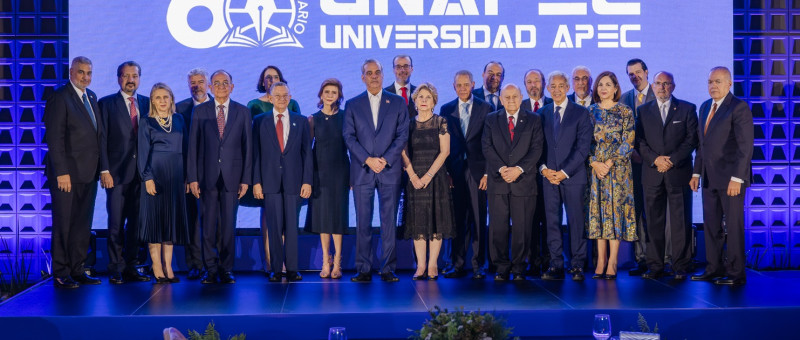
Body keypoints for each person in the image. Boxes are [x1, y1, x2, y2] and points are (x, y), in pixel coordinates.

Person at [344, 59, 409, 283]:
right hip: (363, 171)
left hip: (389, 171)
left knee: (388, 221)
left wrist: (385, 160)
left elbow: (402, 135)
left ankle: (388, 268)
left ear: (383, 76)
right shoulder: (352, 105)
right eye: (369, 73)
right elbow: (349, 137)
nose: (373, 76)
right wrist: (368, 160)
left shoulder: (398, 103)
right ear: (363, 77)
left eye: (377, 72)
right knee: (363, 221)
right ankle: (363, 268)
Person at [187, 70, 252, 284]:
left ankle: (226, 268)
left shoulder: (242, 112)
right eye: (217, 83)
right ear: (210, 87)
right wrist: (193, 178)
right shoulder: (201, 111)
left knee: (228, 225)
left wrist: (245, 179)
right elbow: (193, 146)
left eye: (225, 83)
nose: (221, 86)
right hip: (206, 177)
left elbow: (248, 148)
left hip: (233, 178)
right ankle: (210, 268)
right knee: (208, 225)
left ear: (232, 86)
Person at [690, 66, 753, 286]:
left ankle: (736, 273)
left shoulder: (739, 107)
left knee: (733, 226)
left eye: (717, 81)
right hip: (708, 177)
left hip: (731, 180)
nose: (713, 86)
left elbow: (745, 147)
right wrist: (697, 172)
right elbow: (702, 144)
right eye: (710, 82)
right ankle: (713, 268)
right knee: (711, 225)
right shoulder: (705, 106)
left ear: (729, 83)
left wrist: (738, 178)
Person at [44, 56, 104, 288]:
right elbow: (55, 138)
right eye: (81, 72)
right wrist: (62, 172)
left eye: (89, 73)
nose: (85, 77)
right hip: (66, 175)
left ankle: (78, 269)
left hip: (88, 173)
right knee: (64, 223)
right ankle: (61, 271)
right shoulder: (60, 98)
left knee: (81, 224)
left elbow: (95, 136)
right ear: (71, 72)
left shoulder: (91, 97)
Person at [636, 71, 698, 280]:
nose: (662, 87)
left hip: (678, 172)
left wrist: (670, 160)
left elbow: (691, 140)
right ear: (652, 86)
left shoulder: (688, 108)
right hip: (652, 173)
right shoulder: (643, 111)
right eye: (658, 83)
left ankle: (680, 265)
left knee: (680, 221)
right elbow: (639, 142)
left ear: (673, 86)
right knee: (653, 221)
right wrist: (655, 160)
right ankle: (655, 265)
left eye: (666, 84)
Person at [481, 84, 543, 281]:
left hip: (523, 181)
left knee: (522, 228)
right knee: (498, 227)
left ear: (521, 97)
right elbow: (487, 147)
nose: (511, 100)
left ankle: (518, 267)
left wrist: (518, 169)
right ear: (501, 99)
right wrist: (502, 169)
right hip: (498, 181)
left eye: (514, 96)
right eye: (506, 97)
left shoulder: (534, 119)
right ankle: (501, 266)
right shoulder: (491, 119)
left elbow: (536, 149)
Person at [97, 61, 151, 284]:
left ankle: (131, 266)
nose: (131, 80)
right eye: (126, 76)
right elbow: (101, 139)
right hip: (116, 174)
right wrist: (104, 169)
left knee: (136, 225)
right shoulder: (106, 104)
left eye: (135, 76)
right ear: (119, 78)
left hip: (142, 175)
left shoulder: (149, 103)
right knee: (116, 224)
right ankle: (115, 268)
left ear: (139, 78)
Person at [253, 82, 312, 282]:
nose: (281, 99)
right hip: (269, 182)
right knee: (274, 227)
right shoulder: (260, 121)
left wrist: (307, 181)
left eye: (285, 95)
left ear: (290, 97)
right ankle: (276, 269)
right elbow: (256, 154)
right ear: (270, 98)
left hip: (294, 182)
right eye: (277, 96)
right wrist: (256, 182)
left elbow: (307, 154)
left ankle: (293, 268)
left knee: (292, 227)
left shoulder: (301, 121)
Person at [538, 71, 593, 281]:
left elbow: (583, 148)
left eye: (562, 86)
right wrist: (544, 169)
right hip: (548, 177)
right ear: (548, 89)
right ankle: (556, 264)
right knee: (551, 222)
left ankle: (578, 264)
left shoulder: (580, 113)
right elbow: (537, 146)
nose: (557, 89)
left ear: (568, 88)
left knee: (576, 221)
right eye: (554, 86)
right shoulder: (542, 113)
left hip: (573, 177)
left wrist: (563, 172)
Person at [245, 65, 300, 273]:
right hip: (266, 172)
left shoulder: (292, 103)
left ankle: (287, 262)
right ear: (262, 81)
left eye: (276, 77)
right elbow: (251, 141)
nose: (271, 80)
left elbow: (298, 135)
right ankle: (271, 262)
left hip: (290, 174)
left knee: (288, 219)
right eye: (268, 78)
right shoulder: (254, 106)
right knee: (269, 216)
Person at [586, 71, 638, 280]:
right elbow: (584, 143)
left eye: (608, 84)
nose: (604, 88)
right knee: (598, 214)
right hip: (596, 171)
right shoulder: (589, 112)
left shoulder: (625, 112)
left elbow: (629, 142)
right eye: (600, 85)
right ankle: (600, 261)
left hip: (618, 171)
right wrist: (595, 162)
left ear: (616, 88)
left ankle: (613, 261)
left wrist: (609, 162)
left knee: (615, 214)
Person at [440, 70, 492, 280]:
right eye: (458, 85)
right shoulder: (446, 109)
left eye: (466, 84)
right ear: (454, 87)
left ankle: (479, 264)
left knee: (479, 219)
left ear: (473, 85)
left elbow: (490, 143)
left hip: (479, 172)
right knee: (457, 220)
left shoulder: (485, 107)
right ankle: (457, 263)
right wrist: (446, 173)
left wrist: (488, 173)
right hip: (455, 171)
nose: (462, 88)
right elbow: (441, 145)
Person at [401, 83, 455, 280]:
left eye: (428, 97)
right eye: (420, 97)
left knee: (436, 223)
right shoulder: (408, 124)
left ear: (434, 102)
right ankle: (421, 265)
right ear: (414, 101)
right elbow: (403, 151)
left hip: (436, 178)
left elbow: (445, 152)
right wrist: (413, 176)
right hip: (414, 179)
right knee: (418, 224)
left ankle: (433, 265)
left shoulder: (441, 122)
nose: (423, 100)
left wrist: (428, 176)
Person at [137, 83, 190, 283]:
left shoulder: (179, 119)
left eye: (165, 97)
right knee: (155, 223)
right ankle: (156, 266)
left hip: (175, 177)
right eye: (157, 98)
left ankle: (168, 266)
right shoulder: (146, 122)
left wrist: (186, 176)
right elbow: (142, 154)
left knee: (170, 223)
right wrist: (147, 177)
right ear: (152, 101)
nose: (162, 101)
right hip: (155, 175)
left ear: (171, 99)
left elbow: (185, 149)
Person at [304, 78, 350, 280]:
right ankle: (325, 259)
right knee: (323, 218)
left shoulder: (345, 117)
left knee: (337, 217)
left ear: (339, 95)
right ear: (321, 95)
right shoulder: (312, 119)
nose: (330, 95)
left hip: (340, 172)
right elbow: (307, 150)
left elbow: (351, 147)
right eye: (327, 91)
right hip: (319, 173)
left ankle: (338, 261)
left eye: (334, 92)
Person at [174, 68, 212, 280]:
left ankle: (213, 263)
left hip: (216, 174)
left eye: (200, 82)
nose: (196, 86)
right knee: (192, 221)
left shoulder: (220, 107)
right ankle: (195, 264)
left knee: (214, 221)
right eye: (193, 83)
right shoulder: (179, 109)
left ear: (208, 84)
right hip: (189, 176)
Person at [621, 58, 656, 276]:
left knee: (656, 213)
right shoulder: (625, 98)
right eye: (630, 74)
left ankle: (659, 257)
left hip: (654, 165)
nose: (635, 76)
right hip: (632, 165)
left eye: (638, 72)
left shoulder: (659, 93)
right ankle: (641, 258)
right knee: (636, 213)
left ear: (646, 71)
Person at [521, 68, 553, 275]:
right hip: (525, 174)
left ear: (543, 83)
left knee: (550, 219)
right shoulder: (519, 106)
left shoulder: (554, 104)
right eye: (529, 82)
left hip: (550, 172)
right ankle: (532, 260)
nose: (533, 85)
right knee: (530, 220)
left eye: (537, 81)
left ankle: (550, 260)